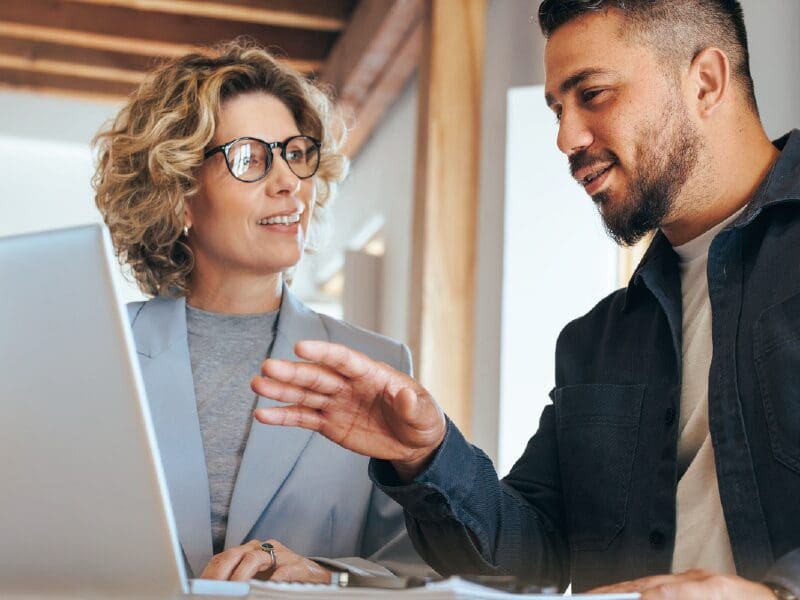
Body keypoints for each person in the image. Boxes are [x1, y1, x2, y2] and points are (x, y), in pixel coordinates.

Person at [249, 1, 800, 598]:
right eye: (557, 110)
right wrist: (426, 456)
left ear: (706, 81)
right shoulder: (595, 344)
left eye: (592, 94)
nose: (566, 138)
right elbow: (528, 559)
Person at [93, 41, 427, 583]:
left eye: (295, 153)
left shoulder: (375, 364)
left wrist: (325, 576)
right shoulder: (99, 353)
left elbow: (417, 568)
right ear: (179, 193)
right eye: (250, 158)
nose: (289, 183)